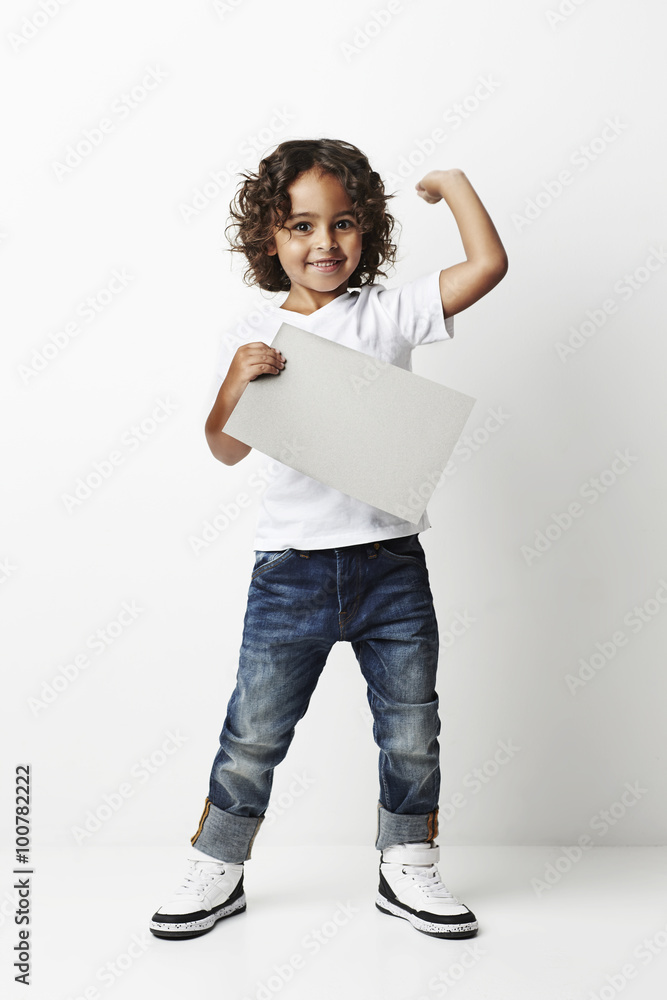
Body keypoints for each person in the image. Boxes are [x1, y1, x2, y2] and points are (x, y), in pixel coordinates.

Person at [149, 138, 508, 941]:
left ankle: (406, 863)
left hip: (390, 567)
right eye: (301, 226)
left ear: (367, 231)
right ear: (269, 238)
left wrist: (451, 185)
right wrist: (237, 383)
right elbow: (225, 446)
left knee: (411, 726)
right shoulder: (251, 330)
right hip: (291, 572)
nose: (324, 244)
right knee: (254, 732)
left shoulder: (386, 312)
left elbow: (486, 267)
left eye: (343, 224)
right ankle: (219, 863)